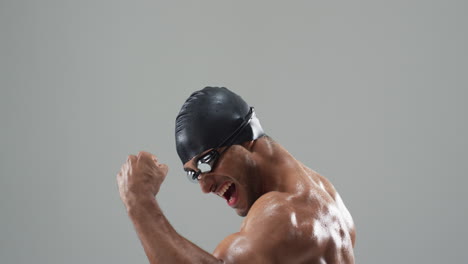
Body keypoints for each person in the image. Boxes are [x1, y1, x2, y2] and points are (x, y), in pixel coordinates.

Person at [117, 87, 356, 264]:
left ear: (248, 139)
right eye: (194, 174)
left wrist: (139, 201)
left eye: (207, 162)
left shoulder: (283, 214)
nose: (205, 187)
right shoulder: (326, 195)